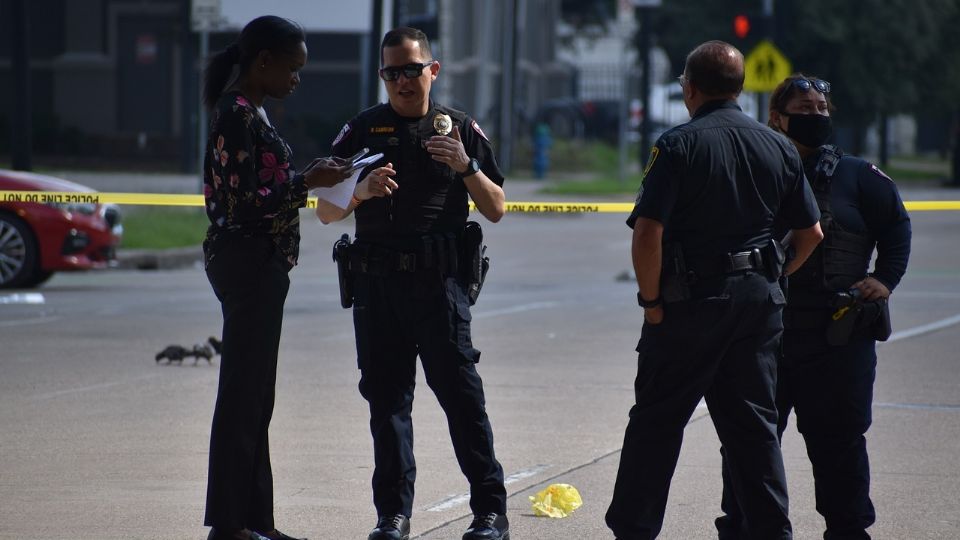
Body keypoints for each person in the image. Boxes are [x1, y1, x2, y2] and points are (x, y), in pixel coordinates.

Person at [604, 41, 825, 540]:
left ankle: (634, 531)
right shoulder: (779, 147)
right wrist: (774, 277)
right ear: (741, 88)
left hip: (690, 305)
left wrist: (652, 302)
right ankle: (772, 531)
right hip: (758, 303)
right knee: (754, 430)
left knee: (657, 424)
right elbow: (811, 234)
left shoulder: (679, 144)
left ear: (690, 87)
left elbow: (647, 234)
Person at [315, 27, 509, 540]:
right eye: (392, 72)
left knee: (463, 400)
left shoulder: (460, 128)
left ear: (433, 70)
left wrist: (465, 166)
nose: (402, 81)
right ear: (382, 77)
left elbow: (496, 209)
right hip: (378, 288)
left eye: (412, 69)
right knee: (388, 405)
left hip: (440, 286)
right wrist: (361, 192)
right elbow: (324, 212)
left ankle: (491, 511)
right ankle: (393, 516)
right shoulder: (362, 130)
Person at [715, 74, 912, 540]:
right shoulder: (751, 171)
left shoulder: (858, 175)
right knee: (748, 444)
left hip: (839, 336)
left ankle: (848, 530)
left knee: (839, 443)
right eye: (804, 109)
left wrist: (884, 280)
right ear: (776, 118)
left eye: (822, 109)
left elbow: (897, 228)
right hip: (764, 334)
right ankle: (743, 528)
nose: (816, 117)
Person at [201, 15, 350, 540]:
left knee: (256, 397)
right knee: (242, 396)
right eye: (292, 68)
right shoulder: (236, 115)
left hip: (261, 263)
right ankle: (228, 525)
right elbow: (244, 205)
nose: (297, 79)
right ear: (263, 61)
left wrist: (307, 177)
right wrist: (307, 181)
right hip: (248, 261)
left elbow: (264, 185)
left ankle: (254, 523)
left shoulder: (251, 111)